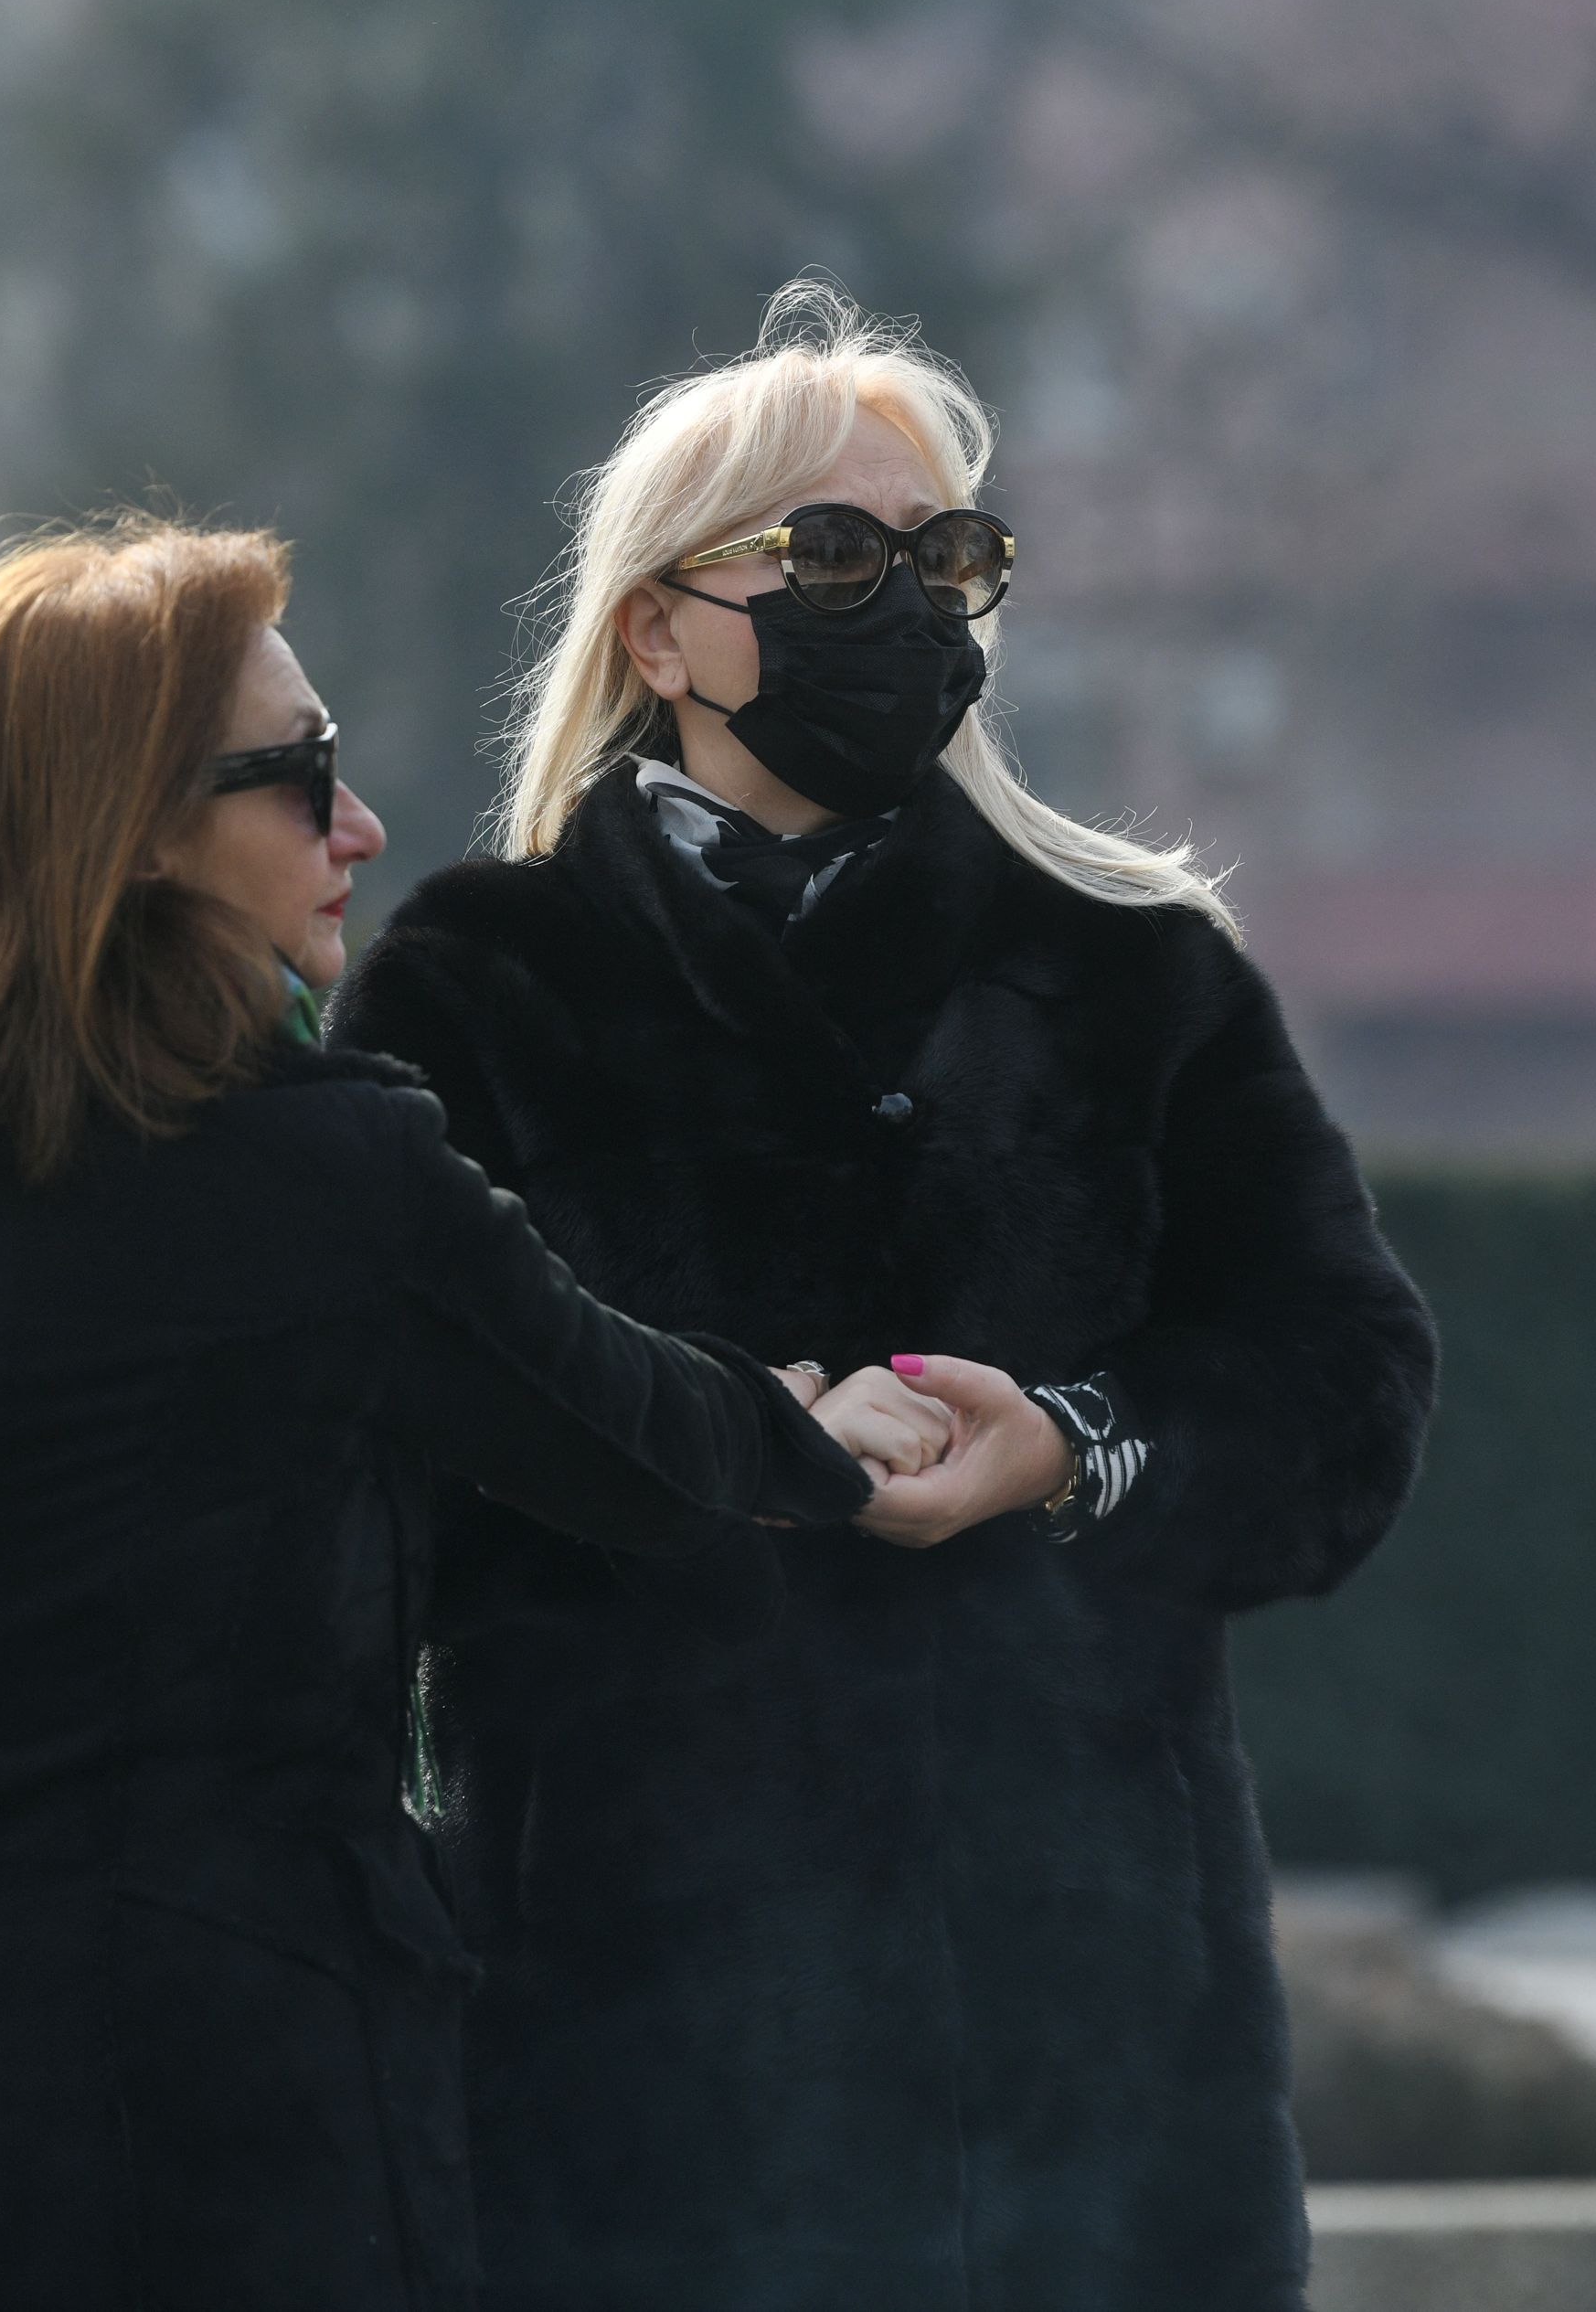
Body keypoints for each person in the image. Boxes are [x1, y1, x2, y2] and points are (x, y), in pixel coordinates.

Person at [0, 517, 895, 2311]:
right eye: (302, 775)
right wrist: (821, 1432)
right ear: (130, 824)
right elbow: (634, 1436)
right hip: (258, 2114)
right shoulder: (335, 1172)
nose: (354, 828)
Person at [330, 282, 1442, 2309]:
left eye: (949, 559)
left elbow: (1343, 1382)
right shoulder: (471, 984)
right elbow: (376, 1480)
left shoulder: (1135, 969)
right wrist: (719, 1445)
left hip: (1092, 2058)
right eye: (830, 554)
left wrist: (1077, 1449)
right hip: (629, 2042)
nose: (907, 603)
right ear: (654, 628)